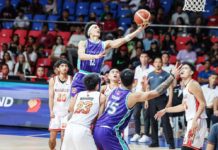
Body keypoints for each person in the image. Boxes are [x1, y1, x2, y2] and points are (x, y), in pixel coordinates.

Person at [93, 63, 181, 150]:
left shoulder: (112, 91)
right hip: (110, 132)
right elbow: (157, 92)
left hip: (97, 129)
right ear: (134, 82)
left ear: (120, 80)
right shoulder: (132, 96)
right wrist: (172, 76)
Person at [71, 21, 149, 97]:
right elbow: (81, 56)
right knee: (73, 106)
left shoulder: (104, 44)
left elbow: (124, 39)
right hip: (82, 75)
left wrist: (139, 30)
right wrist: (96, 56)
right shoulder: (83, 43)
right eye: (95, 27)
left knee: (92, 106)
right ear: (89, 32)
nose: (98, 29)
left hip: (95, 78)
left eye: (98, 27)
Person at [155, 62, 207, 150]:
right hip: (193, 120)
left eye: (186, 68)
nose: (182, 69)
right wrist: (165, 110)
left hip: (197, 120)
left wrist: (195, 120)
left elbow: (202, 103)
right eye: (182, 68)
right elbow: (183, 106)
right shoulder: (186, 87)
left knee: (187, 148)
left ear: (191, 73)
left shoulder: (193, 84)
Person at [61, 74, 106, 150]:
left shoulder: (78, 94)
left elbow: (71, 110)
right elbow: (100, 117)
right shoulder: (101, 97)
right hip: (83, 129)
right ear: (97, 85)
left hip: (70, 127)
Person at [147, 57, 175, 148]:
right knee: (153, 121)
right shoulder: (150, 74)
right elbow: (147, 88)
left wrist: (170, 101)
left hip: (162, 99)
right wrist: (146, 100)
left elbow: (171, 88)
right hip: (151, 99)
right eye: (156, 62)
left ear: (162, 64)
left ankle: (170, 143)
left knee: (165, 121)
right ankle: (155, 141)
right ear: (153, 64)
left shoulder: (166, 75)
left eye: (160, 62)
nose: (158, 64)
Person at [48, 59, 72, 150]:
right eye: (62, 66)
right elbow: (51, 97)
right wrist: (51, 111)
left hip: (67, 113)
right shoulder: (53, 80)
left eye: (66, 66)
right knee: (52, 139)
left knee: (64, 138)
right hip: (56, 112)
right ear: (58, 68)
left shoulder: (71, 79)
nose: (64, 68)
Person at [130, 52, 154, 143]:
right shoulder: (137, 68)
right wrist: (132, 91)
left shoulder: (152, 69)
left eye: (145, 57)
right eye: (142, 57)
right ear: (139, 58)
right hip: (137, 94)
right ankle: (137, 133)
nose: (143, 58)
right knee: (136, 114)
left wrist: (148, 95)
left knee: (146, 115)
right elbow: (136, 81)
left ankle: (146, 134)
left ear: (148, 59)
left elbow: (151, 84)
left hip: (146, 95)